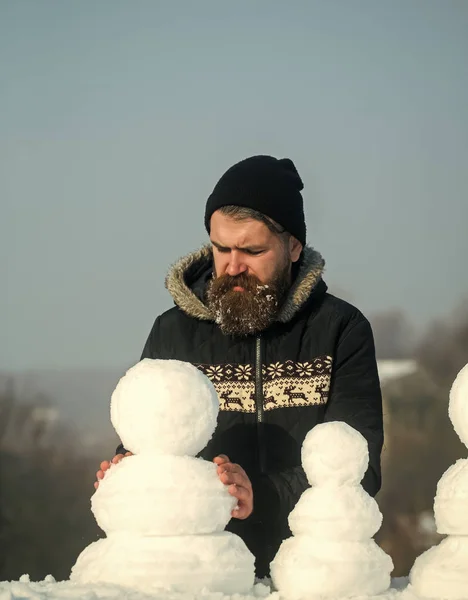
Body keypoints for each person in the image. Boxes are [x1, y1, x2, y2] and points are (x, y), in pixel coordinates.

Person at [96, 155, 384, 578]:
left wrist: (261, 495)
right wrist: (127, 470)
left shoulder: (341, 330)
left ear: (293, 246)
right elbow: (152, 446)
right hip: (200, 576)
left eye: (252, 250)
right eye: (221, 247)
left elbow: (361, 471)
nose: (232, 266)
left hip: (314, 575)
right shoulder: (172, 333)